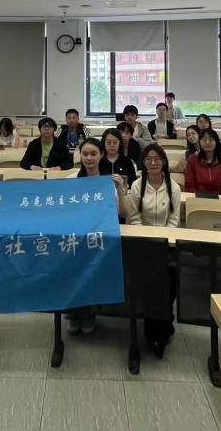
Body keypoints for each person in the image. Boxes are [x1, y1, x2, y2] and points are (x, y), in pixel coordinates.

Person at [114, 143, 180, 356]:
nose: (153, 162)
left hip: (166, 245)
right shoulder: (137, 185)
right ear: (143, 162)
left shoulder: (174, 187)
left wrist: (163, 240)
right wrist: (147, 240)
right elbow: (133, 217)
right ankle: (154, 331)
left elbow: (174, 220)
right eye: (149, 159)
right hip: (143, 244)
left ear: (164, 162)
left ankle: (163, 326)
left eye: (157, 159)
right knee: (149, 283)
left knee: (168, 283)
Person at [65, 138, 125, 335]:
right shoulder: (71, 179)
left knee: (91, 276)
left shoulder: (108, 182)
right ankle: (72, 313)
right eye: (85, 154)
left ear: (101, 155)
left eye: (93, 154)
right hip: (75, 237)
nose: (89, 158)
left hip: (98, 238)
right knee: (72, 275)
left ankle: (89, 314)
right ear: (80, 156)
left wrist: (120, 190)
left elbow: (117, 213)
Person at [184, 128, 221, 197]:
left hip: (220, 199)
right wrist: (195, 198)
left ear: (216, 142)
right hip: (197, 198)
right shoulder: (192, 160)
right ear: (199, 142)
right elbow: (189, 184)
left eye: (211, 139)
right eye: (204, 139)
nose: (207, 142)